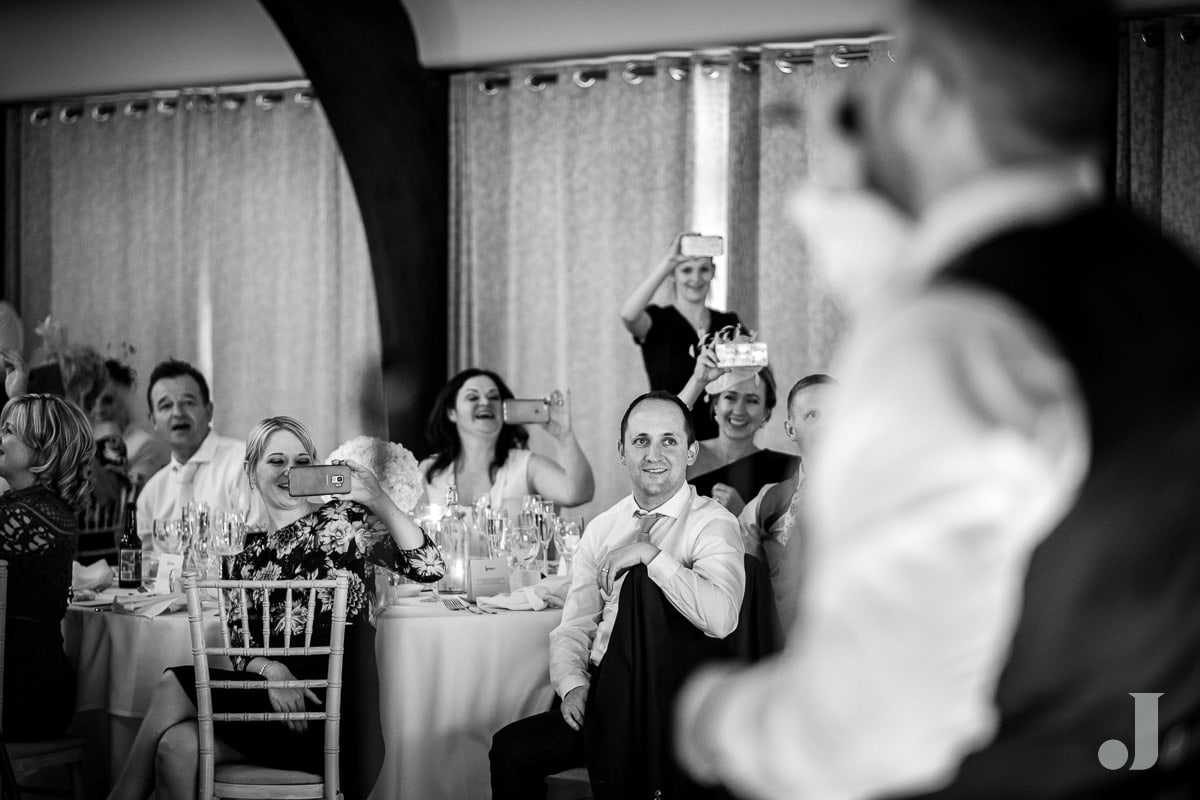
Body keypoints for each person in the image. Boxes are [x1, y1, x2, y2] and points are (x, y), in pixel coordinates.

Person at [676, 2, 1200, 798]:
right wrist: (844, 197)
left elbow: (868, 736)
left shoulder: (942, 340)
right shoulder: (1167, 284)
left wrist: (717, 719)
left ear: (927, 90)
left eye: (888, 67)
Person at [107, 416, 445, 800]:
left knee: (173, 684)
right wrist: (275, 671)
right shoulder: (243, 558)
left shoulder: (345, 523)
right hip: (272, 710)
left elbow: (430, 567)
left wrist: (377, 500)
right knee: (176, 747)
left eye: (302, 462)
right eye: (276, 461)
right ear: (251, 472)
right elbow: (240, 651)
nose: (290, 471)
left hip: (339, 722)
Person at [489, 390, 744, 800]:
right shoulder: (603, 528)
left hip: (668, 699)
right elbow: (575, 624)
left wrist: (652, 555)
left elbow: (722, 618)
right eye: (641, 440)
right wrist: (573, 684)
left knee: (645, 580)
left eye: (669, 441)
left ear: (691, 452)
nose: (654, 454)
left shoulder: (712, 524)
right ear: (622, 451)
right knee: (511, 750)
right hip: (604, 693)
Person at [0, 394, 95, 740]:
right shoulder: (40, 509)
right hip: (32, 684)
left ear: (43, 450)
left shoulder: (29, 515)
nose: (0, 438)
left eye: (7, 431)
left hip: (21, 694)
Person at [620, 232, 745, 442]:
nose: (695, 278)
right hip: (669, 440)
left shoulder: (728, 323)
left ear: (713, 271)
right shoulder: (657, 321)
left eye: (703, 269)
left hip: (721, 443)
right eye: (686, 269)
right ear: (673, 274)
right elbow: (628, 315)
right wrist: (668, 262)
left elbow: (754, 374)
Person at [420, 368, 594, 515]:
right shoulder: (429, 471)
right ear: (452, 412)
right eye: (473, 397)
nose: (485, 402)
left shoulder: (526, 466)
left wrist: (564, 436)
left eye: (494, 397)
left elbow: (578, 494)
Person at [737, 374, 836, 634]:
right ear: (791, 429)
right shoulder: (766, 504)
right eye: (813, 415)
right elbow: (739, 576)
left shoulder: (878, 498)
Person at [136, 359, 262, 537]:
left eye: (188, 402)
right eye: (165, 406)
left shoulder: (242, 464)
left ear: (209, 410)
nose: (178, 413)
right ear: (153, 421)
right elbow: (144, 560)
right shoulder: (152, 494)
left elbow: (259, 543)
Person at [678, 348, 797, 517]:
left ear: (766, 412)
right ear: (716, 405)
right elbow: (656, 433)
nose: (739, 410)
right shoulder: (683, 456)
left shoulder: (786, 472)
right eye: (730, 397)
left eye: (752, 401)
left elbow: (787, 540)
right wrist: (698, 381)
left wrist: (744, 515)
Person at [90, 358, 171, 488]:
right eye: (93, 401)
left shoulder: (144, 445)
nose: (98, 409)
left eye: (108, 401)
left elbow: (125, 499)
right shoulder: (82, 441)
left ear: (125, 400)